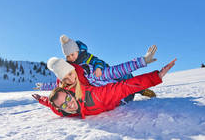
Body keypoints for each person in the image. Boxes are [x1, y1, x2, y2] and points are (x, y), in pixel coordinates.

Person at [32, 58, 177, 119]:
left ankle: (140, 90)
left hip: (119, 97)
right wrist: (43, 100)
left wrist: (155, 76)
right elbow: (54, 103)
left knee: (124, 80)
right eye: (64, 105)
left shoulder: (92, 94)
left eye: (68, 100)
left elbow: (121, 88)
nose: (68, 104)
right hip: (106, 90)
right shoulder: (64, 106)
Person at [59, 34, 157, 97]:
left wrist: (98, 68)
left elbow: (98, 61)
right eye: (68, 56)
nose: (71, 58)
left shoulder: (86, 56)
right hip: (97, 82)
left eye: (72, 54)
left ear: (77, 51)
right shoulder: (71, 66)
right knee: (118, 88)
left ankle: (141, 90)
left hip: (104, 72)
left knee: (125, 77)